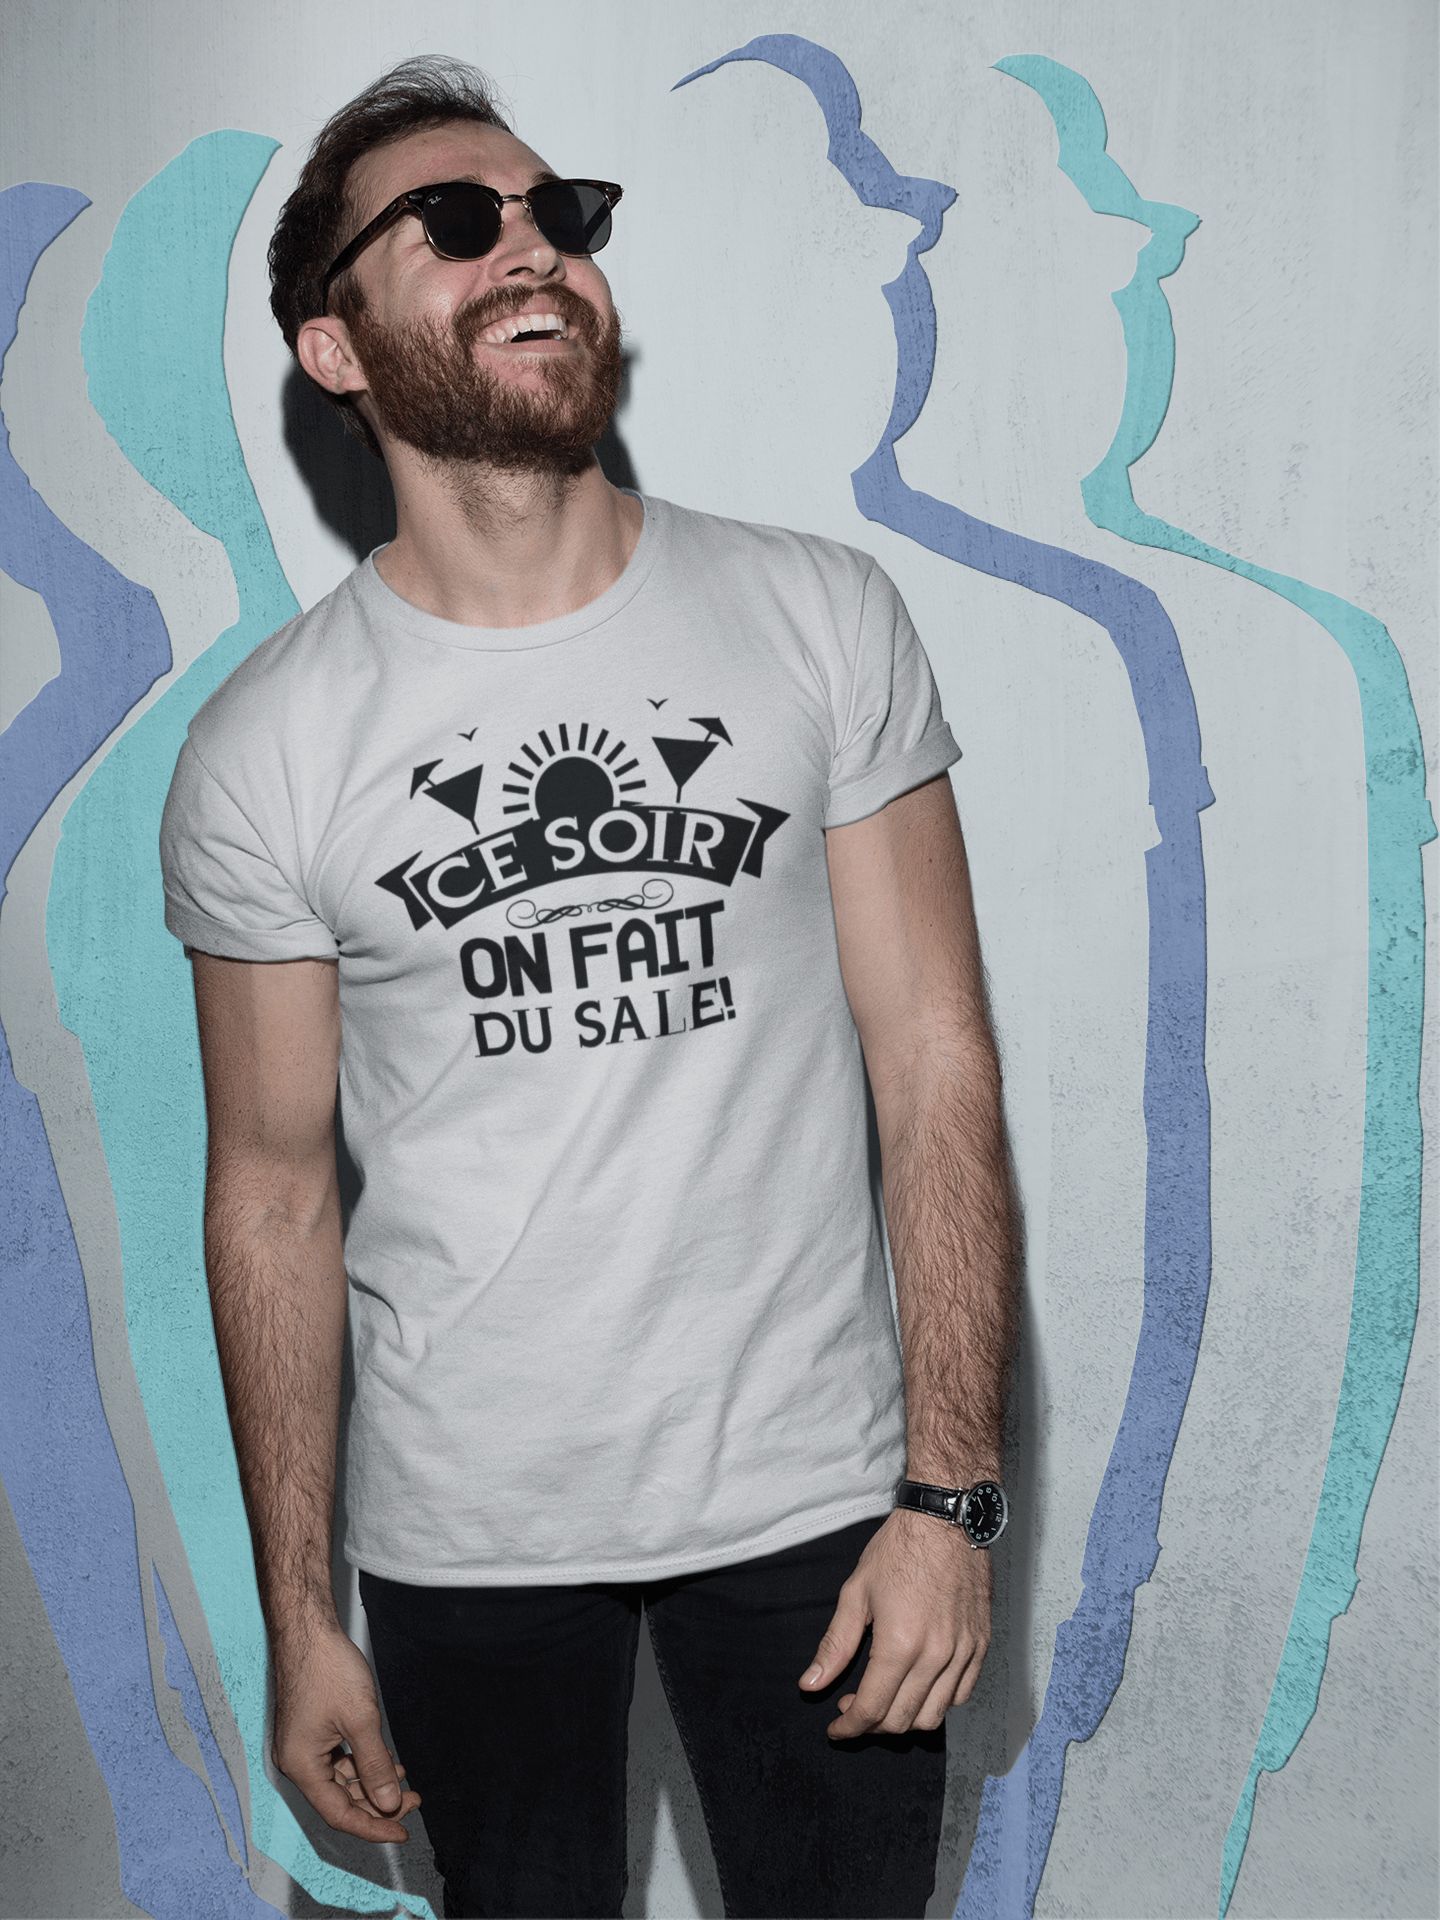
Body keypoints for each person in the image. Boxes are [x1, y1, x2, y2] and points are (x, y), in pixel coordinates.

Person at [158, 52, 1019, 1920]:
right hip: (468, 1537)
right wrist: (303, 1620)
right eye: (455, 223)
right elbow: (273, 1193)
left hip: (816, 1505)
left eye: (561, 212)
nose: (532, 246)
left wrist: (951, 1500)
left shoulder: (820, 614)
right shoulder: (265, 748)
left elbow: (936, 1060)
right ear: (334, 347)